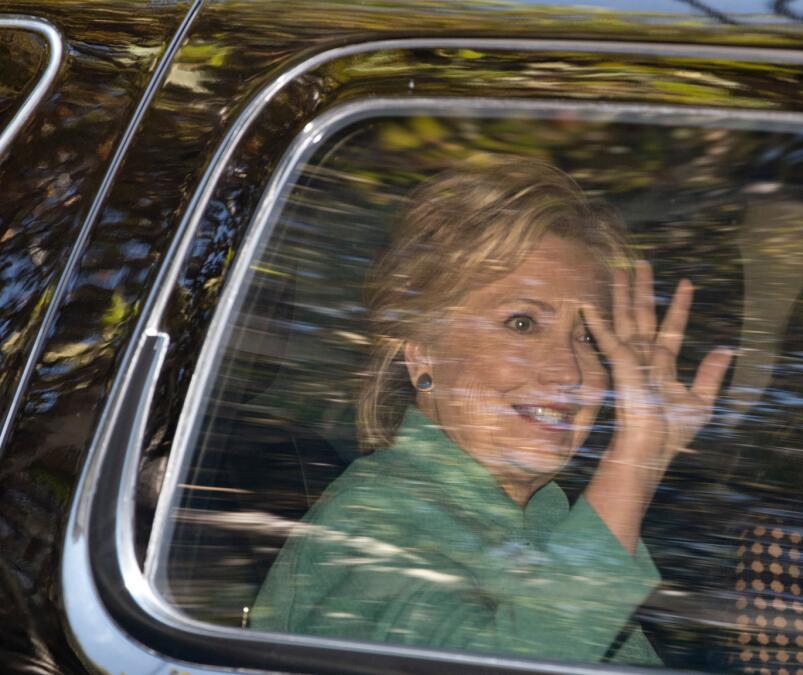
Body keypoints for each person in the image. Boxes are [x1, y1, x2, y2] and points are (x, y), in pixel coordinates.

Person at [250, 156, 733, 665]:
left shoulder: (549, 521)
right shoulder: (368, 524)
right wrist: (634, 462)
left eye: (588, 336)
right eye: (522, 324)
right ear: (422, 353)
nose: (568, 371)